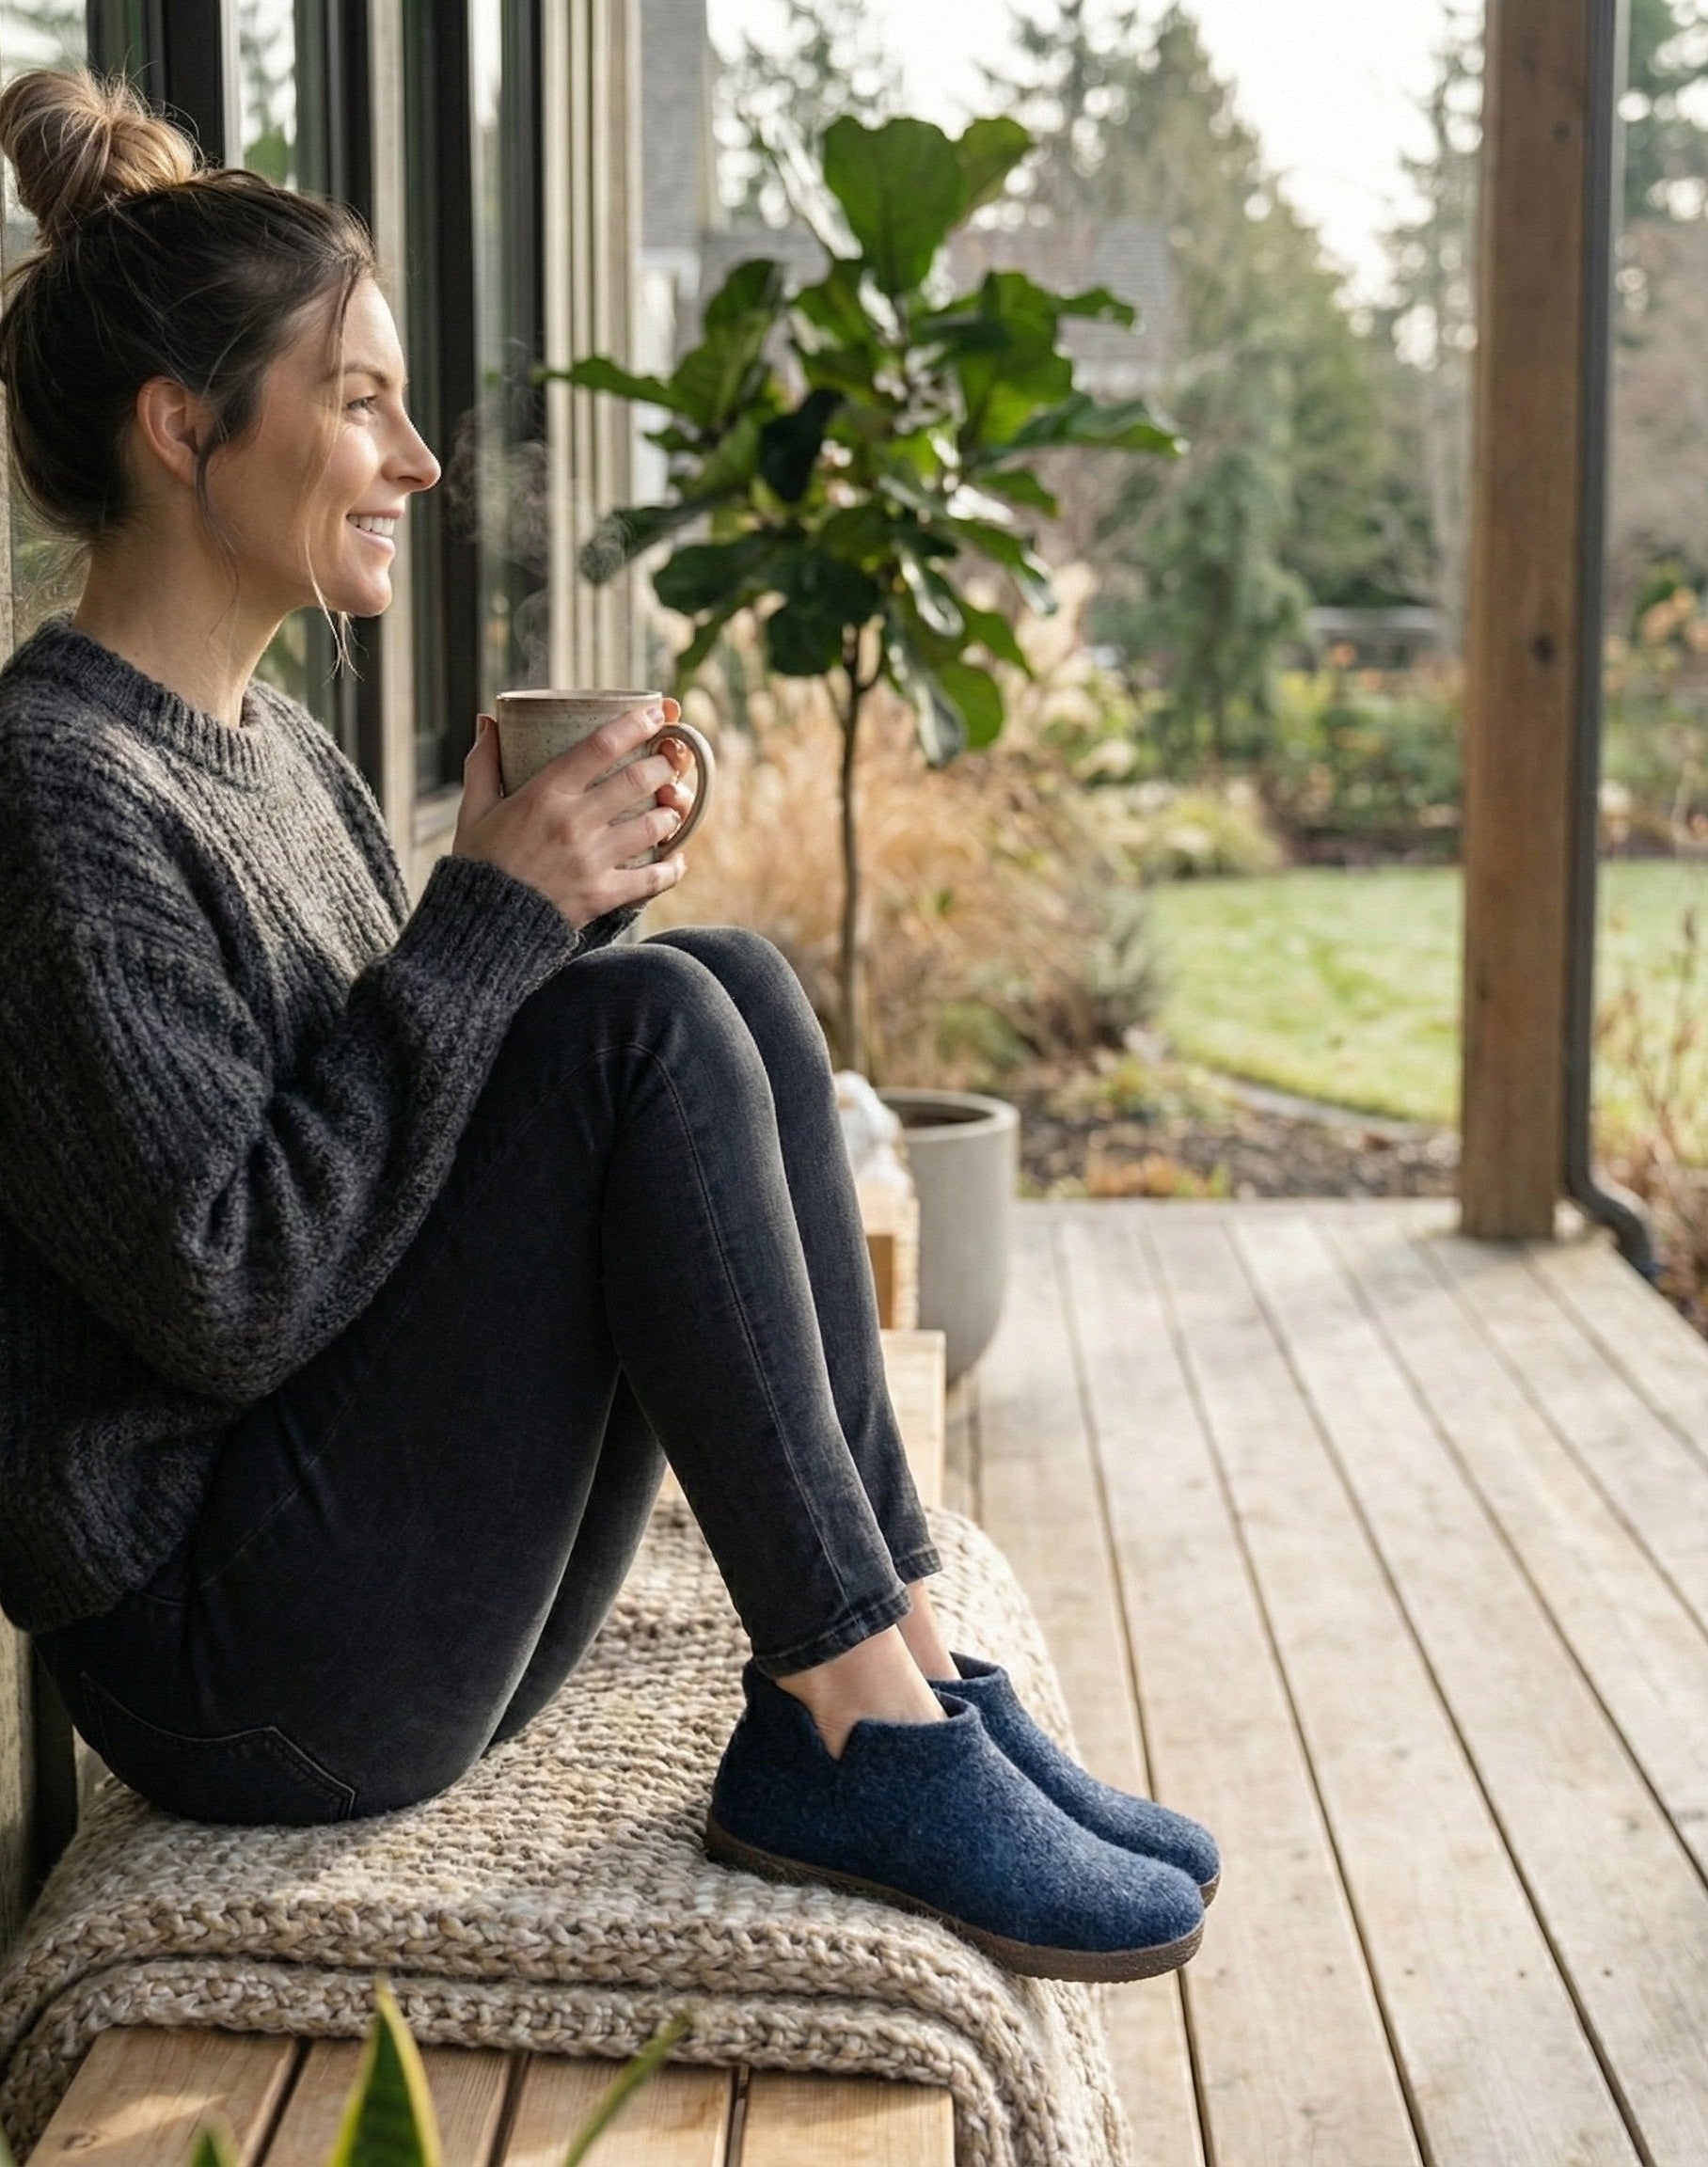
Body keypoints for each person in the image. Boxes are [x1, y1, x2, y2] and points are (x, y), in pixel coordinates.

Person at [0, 65, 1217, 1983]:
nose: (415, 463)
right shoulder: (60, 789)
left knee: (702, 985)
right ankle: (855, 1729)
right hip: (242, 1677)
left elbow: (389, 1164)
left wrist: (547, 912)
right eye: (361, 403)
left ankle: (900, 1664)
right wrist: (500, 922)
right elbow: (227, 1296)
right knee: (636, 1025)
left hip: (350, 1586)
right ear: (183, 429)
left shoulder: (278, 751)